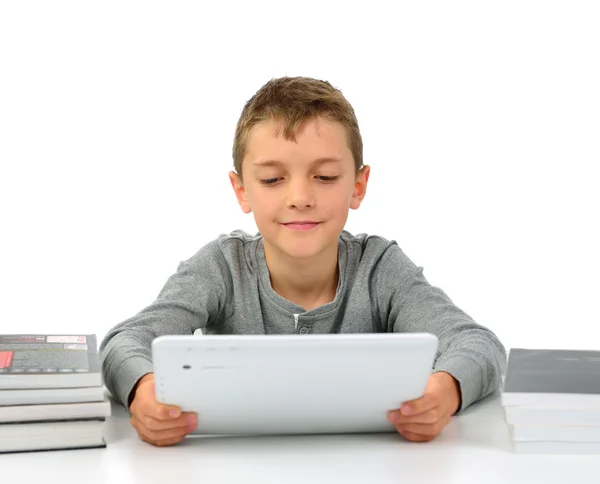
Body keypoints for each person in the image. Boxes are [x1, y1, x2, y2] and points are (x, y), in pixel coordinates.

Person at [99, 76, 507, 447]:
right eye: (273, 179)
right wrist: (145, 390)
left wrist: (444, 392)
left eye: (325, 177)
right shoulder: (221, 267)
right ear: (241, 190)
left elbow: (478, 343)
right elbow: (124, 342)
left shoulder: (381, 268)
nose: (300, 197)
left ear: (358, 186)